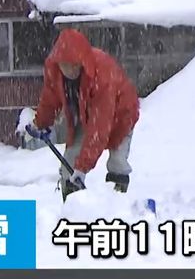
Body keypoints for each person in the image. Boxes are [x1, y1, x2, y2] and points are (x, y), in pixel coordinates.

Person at [26, 28, 140, 198]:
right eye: (66, 65)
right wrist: (41, 123)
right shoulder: (55, 71)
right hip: (85, 115)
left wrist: (82, 167)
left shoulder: (102, 76)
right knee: (70, 162)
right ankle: (72, 206)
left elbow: (99, 129)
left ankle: (117, 202)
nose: (70, 70)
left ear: (83, 61)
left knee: (117, 162)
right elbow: (50, 99)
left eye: (75, 65)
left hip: (121, 113)